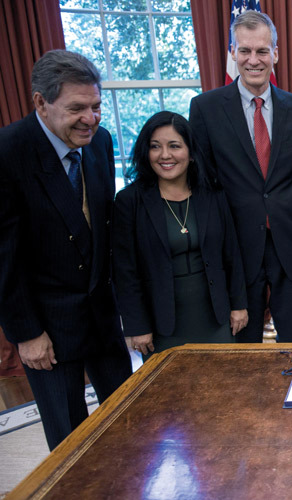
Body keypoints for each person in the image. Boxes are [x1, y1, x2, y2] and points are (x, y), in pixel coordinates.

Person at [0, 50, 132, 450]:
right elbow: (4, 258)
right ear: (40, 102)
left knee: (129, 420)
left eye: (95, 106)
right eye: (77, 108)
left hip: (103, 317)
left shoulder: (101, 142)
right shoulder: (8, 152)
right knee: (70, 442)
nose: (90, 119)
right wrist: (27, 334)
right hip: (48, 328)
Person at [189, 11, 292, 343]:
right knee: (244, 342)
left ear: (275, 53)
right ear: (233, 53)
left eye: (262, 51)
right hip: (236, 245)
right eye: (245, 51)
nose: (253, 60)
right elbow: (204, 185)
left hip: (289, 242)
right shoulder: (205, 108)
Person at [112, 111, 248, 357]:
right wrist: (137, 325)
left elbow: (232, 254)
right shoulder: (129, 201)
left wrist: (239, 305)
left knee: (221, 387)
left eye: (174, 146)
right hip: (161, 325)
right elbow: (124, 272)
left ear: (191, 153)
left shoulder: (213, 195)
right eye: (155, 147)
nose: (165, 155)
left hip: (216, 317)